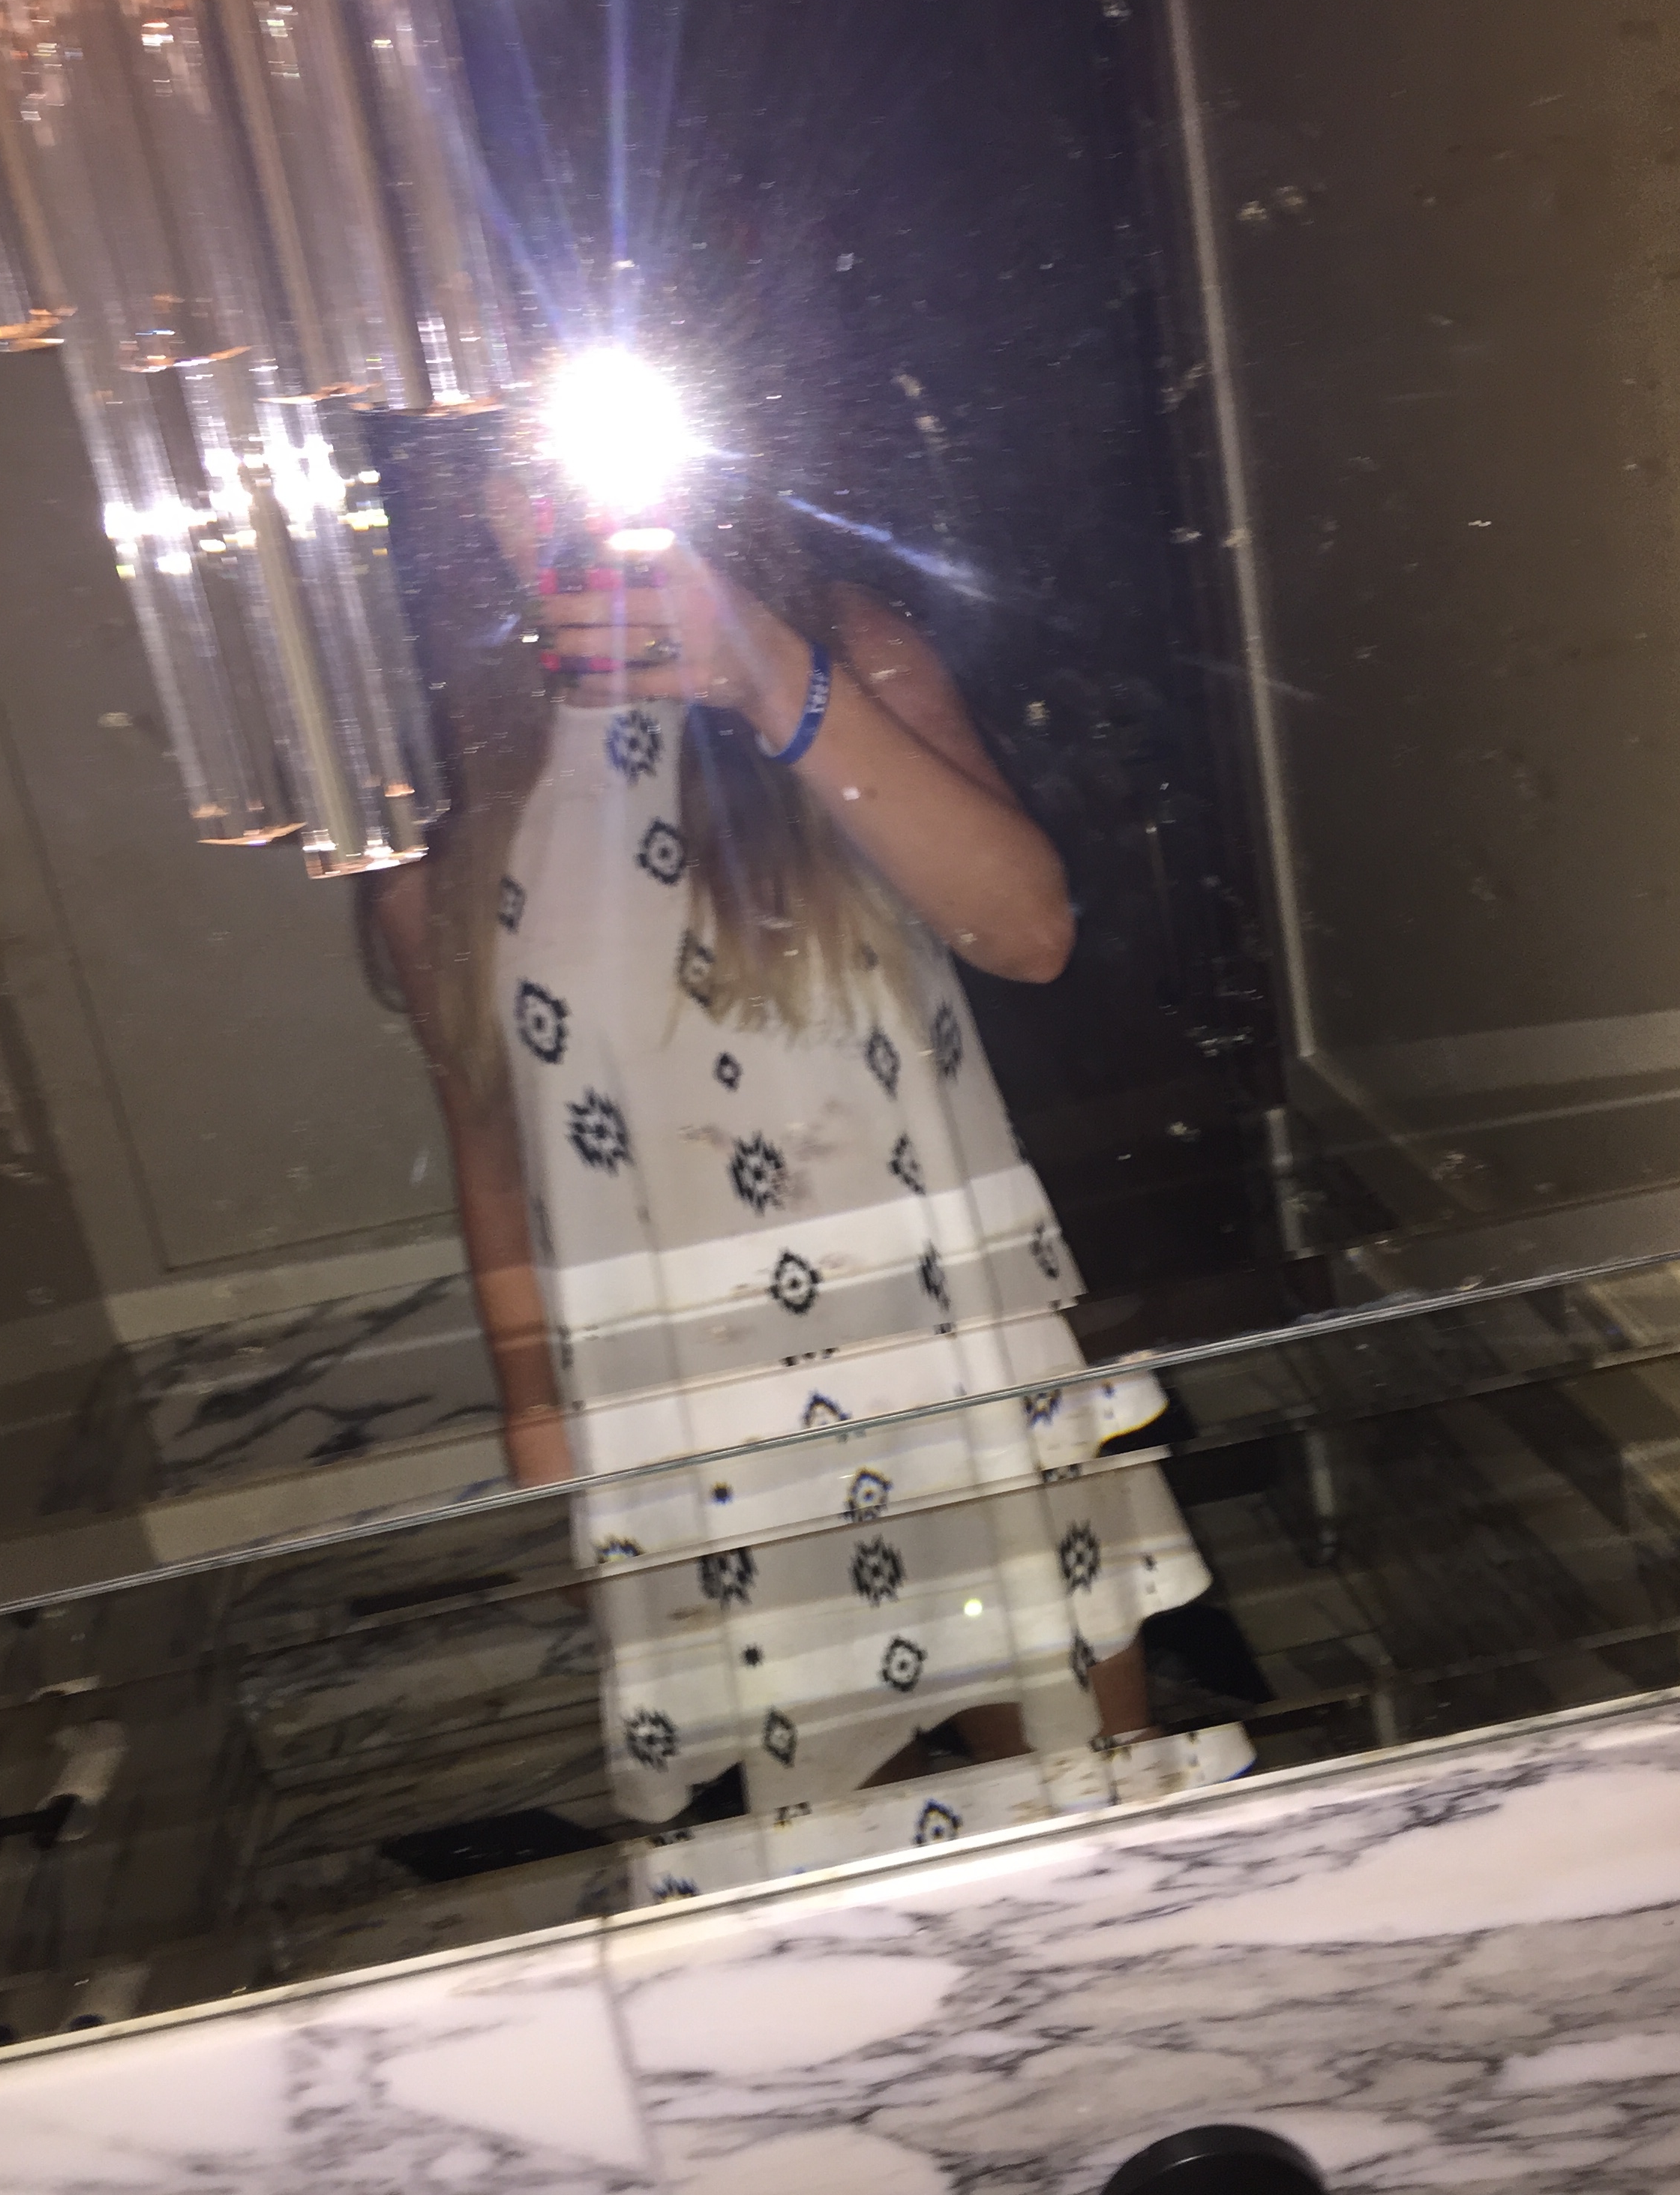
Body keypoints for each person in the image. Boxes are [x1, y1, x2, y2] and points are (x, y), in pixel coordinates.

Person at [368, 457, 1249, 1895]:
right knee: (840, 1847)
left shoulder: (843, 649)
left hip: (947, 1343)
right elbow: (488, 1129)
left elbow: (1027, 932)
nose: (563, 504)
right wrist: (532, 1397)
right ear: (460, 495)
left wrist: (768, 671)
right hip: (689, 1389)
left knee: (1081, 1800)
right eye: (514, 467)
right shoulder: (443, 779)